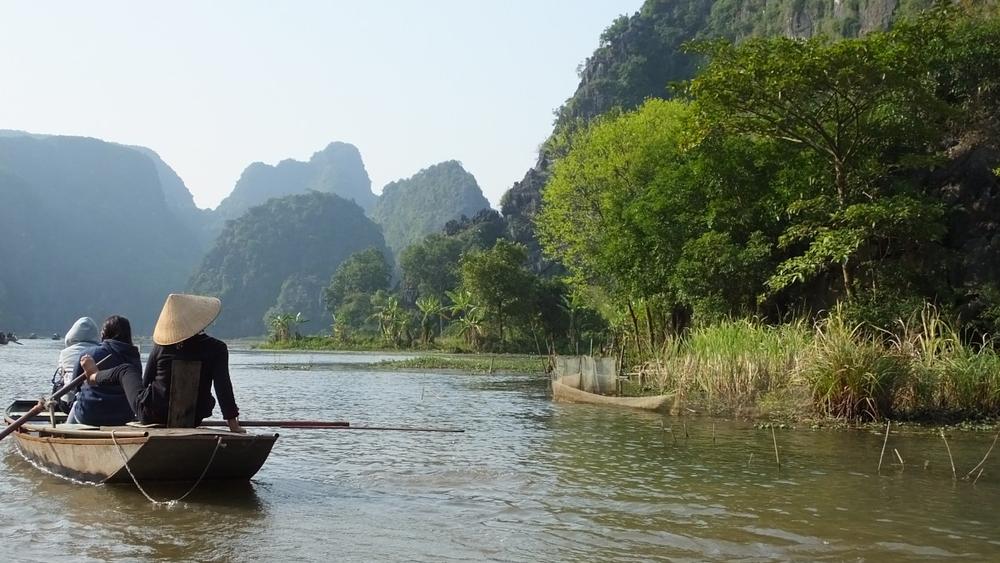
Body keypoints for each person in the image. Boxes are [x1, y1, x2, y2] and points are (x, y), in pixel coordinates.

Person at [80, 294, 244, 433]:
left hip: (152, 414)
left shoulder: (162, 347)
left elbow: (146, 382)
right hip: (194, 416)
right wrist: (233, 424)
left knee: (125, 370)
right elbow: (223, 388)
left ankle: (93, 375)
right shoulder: (217, 348)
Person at [66, 315, 141, 426]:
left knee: (76, 402)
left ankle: (65, 434)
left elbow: (75, 386)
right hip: (124, 416)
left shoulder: (88, 355)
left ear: (104, 333)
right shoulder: (134, 357)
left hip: (89, 415)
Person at [52, 317, 100, 413]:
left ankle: (54, 411)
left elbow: (62, 375)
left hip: (67, 405)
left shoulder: (65, 353)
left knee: (58, 385)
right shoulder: (99, 351)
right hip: (93, 403)